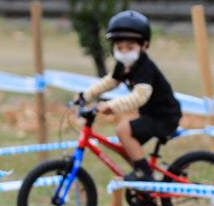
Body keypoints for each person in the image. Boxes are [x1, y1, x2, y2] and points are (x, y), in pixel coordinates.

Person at [74, 11, 182, 182]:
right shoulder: (124, 65)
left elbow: (140, 96)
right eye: (119, 47)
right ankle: (145, 179)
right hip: (151, 116)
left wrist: (112, 106)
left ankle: (143, 174)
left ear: (144, 45)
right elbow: (110, 82)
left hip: (165, 117)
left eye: (130, 47)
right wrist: (85, 96)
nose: (124, 52)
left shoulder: (145, 67)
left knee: (123, 129)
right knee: (124, 146)